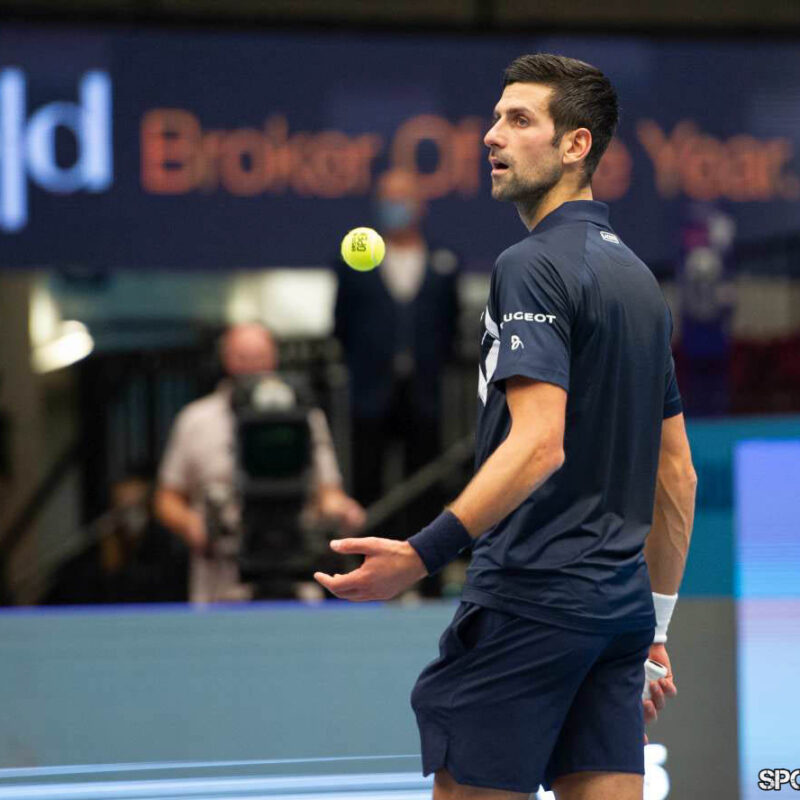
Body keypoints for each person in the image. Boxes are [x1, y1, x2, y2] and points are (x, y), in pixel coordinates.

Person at [315, 54, 697, 800]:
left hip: (530, 601)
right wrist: (653, 628)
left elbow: (538, 443)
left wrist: (420, 555)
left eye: (519, 120)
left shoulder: (531, 264)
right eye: (495, 119)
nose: (491, 136)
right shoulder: (639, 282)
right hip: (617, 614)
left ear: (576, 145)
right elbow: (677, 474)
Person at [155, 323, 365, 604]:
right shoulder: (195, 420)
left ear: (274, 357)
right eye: (243, 357)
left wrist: (340, 510)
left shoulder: (306, 416)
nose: (252, 366)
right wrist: (191, 525)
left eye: (260, 356)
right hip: (221, 579)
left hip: (294, 568)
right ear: (226, 359)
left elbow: (328, 489)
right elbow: (167, 498)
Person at [334, 168, 459, 591]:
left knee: (426, 488)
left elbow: (449, 328)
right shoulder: (355, 260)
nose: (395, 205)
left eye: (403, 197)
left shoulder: (444, 261)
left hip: (424, 396)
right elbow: (342, 326)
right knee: (368, 486)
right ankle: (364, 580)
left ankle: (427, 581)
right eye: (388, 197)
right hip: (370, 396)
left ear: (420, 205)